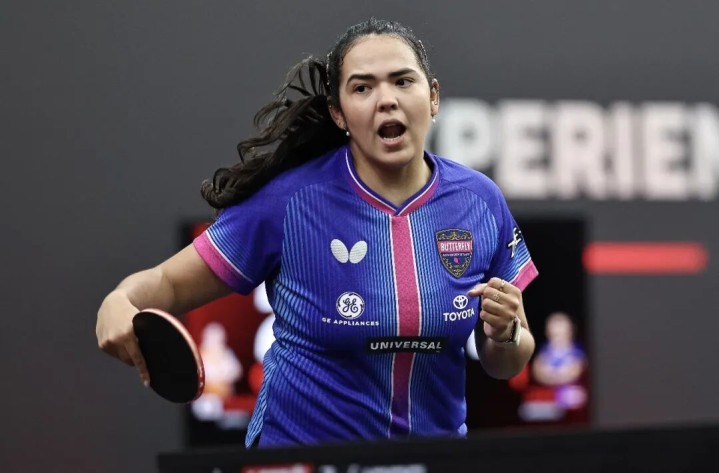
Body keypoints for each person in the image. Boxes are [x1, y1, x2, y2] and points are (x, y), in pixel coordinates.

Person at [96, 18, 539, 448]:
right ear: (338, 113)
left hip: (430, 460)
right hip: (301, 457)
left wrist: (507, 334)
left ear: (433, 96)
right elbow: (168, 282)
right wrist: (120, 300)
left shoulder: (480, 200)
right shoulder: (289, 201)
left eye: (403, 81)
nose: (387, 99)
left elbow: (505, 363)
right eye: (362, 88)